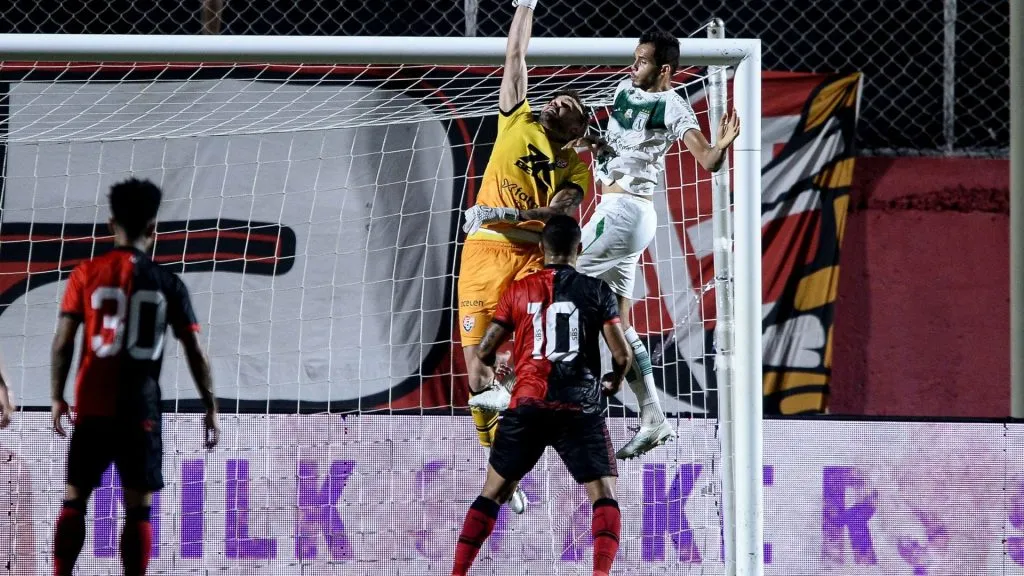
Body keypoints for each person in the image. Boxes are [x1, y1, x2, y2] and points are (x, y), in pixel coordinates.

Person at [574, 30, 741, 460]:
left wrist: (721, 145)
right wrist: (591, 141)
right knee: (619, 320)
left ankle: (528, 385)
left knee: (558, 282)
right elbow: (615, 146)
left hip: (622, 212)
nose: (634, 66)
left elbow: (707, 160)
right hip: (622, 215)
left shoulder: (673, 106)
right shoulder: (622, 89)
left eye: (643, 61)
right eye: (635, 58)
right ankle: (653, 416)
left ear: (664, 69)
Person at [457, 0, 592, 512]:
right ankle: (499, 466)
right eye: (554, 98)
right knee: (477, 368)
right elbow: (516, 54)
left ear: (578, 128)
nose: (556, 103)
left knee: (531, 360)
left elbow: (559, 213)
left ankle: (524, 424)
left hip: (533, 257)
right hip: (485, 253)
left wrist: (498, 213)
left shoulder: (576, 169)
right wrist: (525, 6)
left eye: (569, 106)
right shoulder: (515, 119)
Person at [50, 178, 219, 576]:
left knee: (75, 500)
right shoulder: (168, 283)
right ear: (152, 229)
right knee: (138, 507)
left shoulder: (86, 273)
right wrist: (211, 407)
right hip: (140, 409)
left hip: (91, 404)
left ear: (111, 225)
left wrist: (57, 397)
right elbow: (196, 351)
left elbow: (62, 343)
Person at [451, 215, 632, 576]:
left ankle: (458, 573)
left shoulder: (519, 289)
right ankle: (600, 573)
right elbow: (622, 354)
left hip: (528, 405)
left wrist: (502, 359)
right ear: (578, 250)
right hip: (579, 407)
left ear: (541, 249)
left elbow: (485, 351)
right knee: (604, 496)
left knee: (493, 493)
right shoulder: (597, 290)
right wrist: (614, 380)